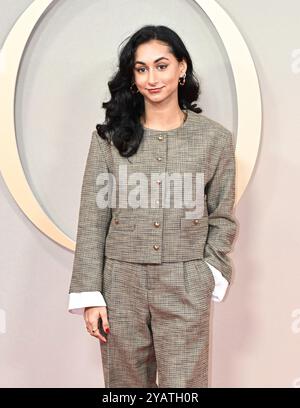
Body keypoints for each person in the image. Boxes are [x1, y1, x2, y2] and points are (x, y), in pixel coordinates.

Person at [68, 25, 238, 388]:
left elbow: (222, 215)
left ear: (181, 68)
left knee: (185, 388)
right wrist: (91, 295)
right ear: (132, 77)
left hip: (184, 280)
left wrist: (209, 272)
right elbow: (92, 219)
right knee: (125, 389)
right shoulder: (109, 140)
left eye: (161, 66)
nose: (151, 78)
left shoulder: (214, 140)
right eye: (141, 69)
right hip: (120, 284)